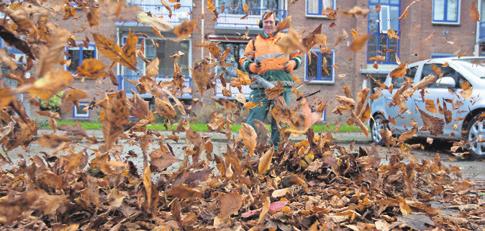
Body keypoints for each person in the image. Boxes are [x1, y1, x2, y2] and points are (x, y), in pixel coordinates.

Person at [239, 11, 302, 150]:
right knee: (254, 118)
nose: (268, 24)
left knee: (280, 122)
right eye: (266, 22)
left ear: (276, 24)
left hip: (282, 87)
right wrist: (251, 66)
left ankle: (277, 152)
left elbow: (298, 57)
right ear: (262, 24)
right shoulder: (254, 42)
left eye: (271, 22)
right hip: (261, 87)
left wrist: (293, 63)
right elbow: (243, 59)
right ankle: (246, 151)